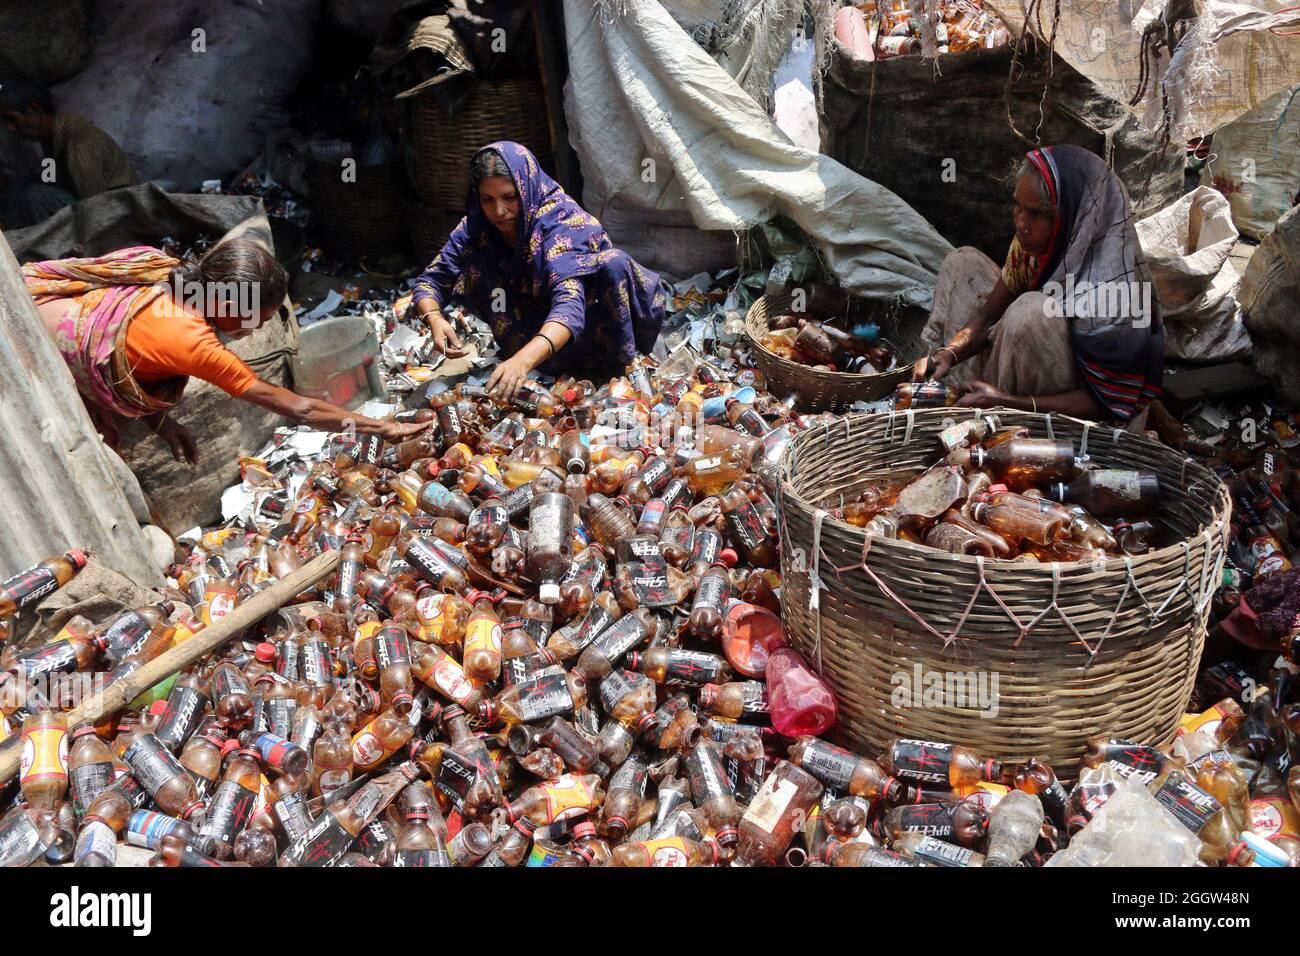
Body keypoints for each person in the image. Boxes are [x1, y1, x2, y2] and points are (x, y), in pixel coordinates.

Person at [23, 239, 428, 465]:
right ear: (229, 305)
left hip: (38, 316)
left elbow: (133, 349)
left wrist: (161, 422)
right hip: (25, 355)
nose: (256, 330)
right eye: (257, 319)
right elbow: (300, 409)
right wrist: (381, 428)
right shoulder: (192, 342)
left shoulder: (168, 271)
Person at [914, 144, 1166, 428]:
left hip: (1084, 419)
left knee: (1030, 311)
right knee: (962, 263)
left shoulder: (1119, 291)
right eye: (1017, 207)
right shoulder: (1033, 249)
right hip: (1017, 381)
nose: (1021, 223)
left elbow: (1106, 405)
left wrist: (1007, 401)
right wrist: (948, 354)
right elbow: (989, 315)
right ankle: (954, 398)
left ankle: (1002, 423)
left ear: (1074, 218)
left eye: (1035, 213)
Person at [410, 141, 667, 400]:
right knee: (480, 265)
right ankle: (542, 365)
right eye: (488, 199)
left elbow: (569, 305)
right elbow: (431, 279)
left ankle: (614, 367)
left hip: (593, 322)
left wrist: (522, 361)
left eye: (510, 198)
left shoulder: (560, 223)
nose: (499, 211)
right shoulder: (477, 225)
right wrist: (434, 318)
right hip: (536, 336)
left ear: (526, 189)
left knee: (613, 264)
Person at [0, 74, 140, 224]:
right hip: (90, 201)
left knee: (37, 195)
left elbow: (96, 208)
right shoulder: (49, 136)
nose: (10, 128)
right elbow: (50, 178)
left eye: (12, 119)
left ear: (34, 110)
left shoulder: (80, 146)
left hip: (119, 214)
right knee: (23, 186)